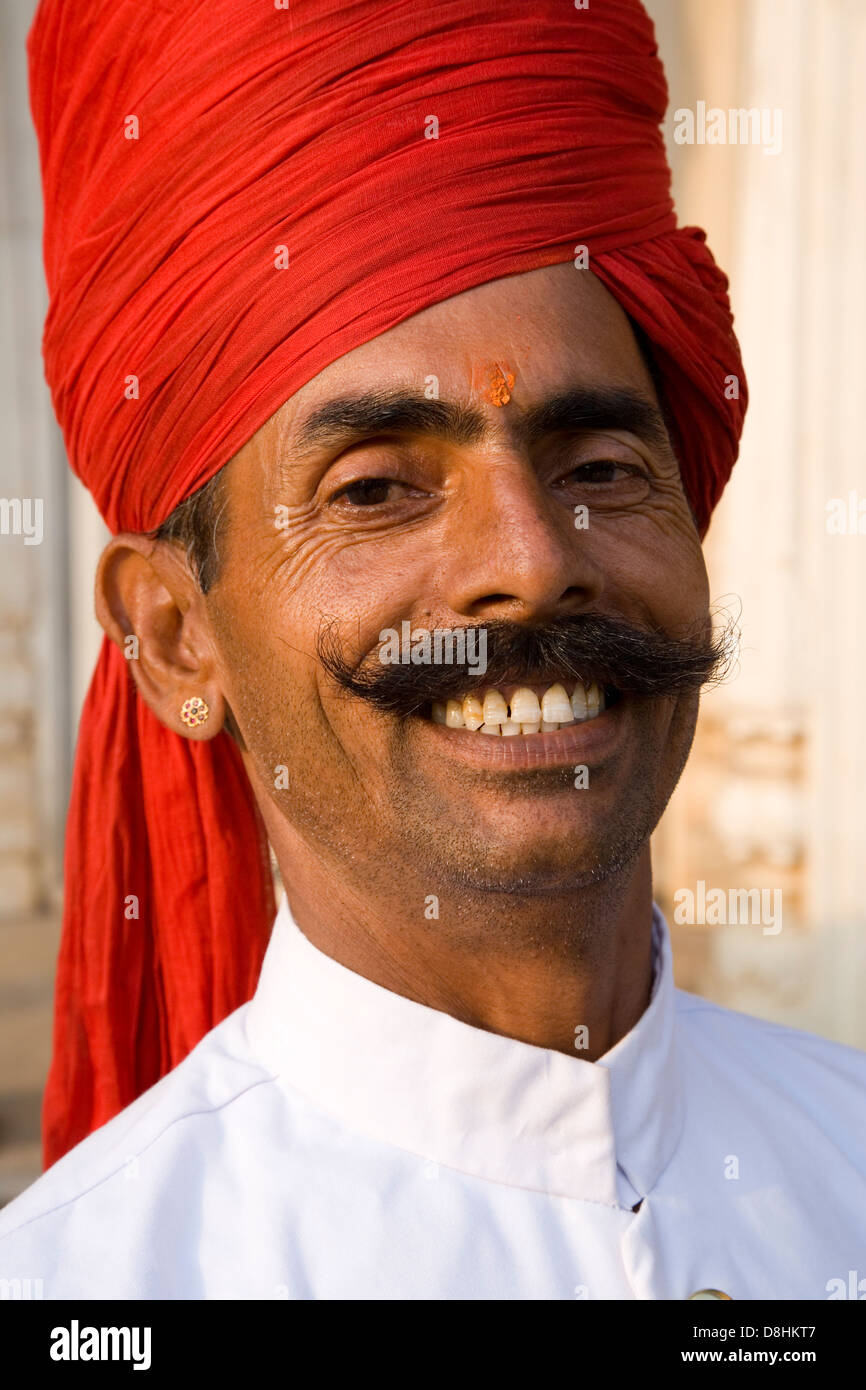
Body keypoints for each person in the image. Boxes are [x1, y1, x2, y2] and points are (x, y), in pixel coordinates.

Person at [1, 0, 863, 1300]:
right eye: (375, 488)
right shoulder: (90, 1284)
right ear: (176, 638)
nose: (530, 557)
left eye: (598, 464)